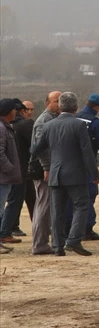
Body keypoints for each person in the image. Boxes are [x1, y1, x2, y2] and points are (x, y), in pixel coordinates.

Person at [29, 92, 99, 256]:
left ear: (60, 107)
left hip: (55, 174)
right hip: (75, 174)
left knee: (57, 211)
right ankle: (73, 240)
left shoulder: (48, 125)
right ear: (76, 107)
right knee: (81, 205)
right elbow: (87, 153)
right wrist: (94, 173)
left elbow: (35, 149)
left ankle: (58, 246)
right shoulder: (79, 125)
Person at [27, 91, 60, 255]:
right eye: (56, 100)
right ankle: (39, 245)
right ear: (48, 102)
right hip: (43, 170)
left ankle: (45, 242)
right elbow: (41, 148)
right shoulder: (44, 121)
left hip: (49, 168)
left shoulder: (53, 119)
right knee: (43, 206)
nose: (59, 103)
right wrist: (46, 167)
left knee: (47, 206)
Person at [0, 101, 34, 243]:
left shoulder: (9, 126)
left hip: (17, 172)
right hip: (15, 172)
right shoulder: (5, 127)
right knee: (13, 202)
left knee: (24, 200)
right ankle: (5, 232)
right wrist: (11, 168)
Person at [77, 93, 99, 241]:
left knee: (73, 198)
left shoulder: (74, 117)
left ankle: (73, 228)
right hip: (88, 164)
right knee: (89, 195)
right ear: (96, 107)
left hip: (71, 164)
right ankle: (87, 229)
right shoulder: (95, 122)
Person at [0, 99, 22, 254]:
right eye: (14, 110)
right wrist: (10, 168)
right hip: (2, 177)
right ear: (8, 112)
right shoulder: (1, 128)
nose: (16, 112)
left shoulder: (6, 127)